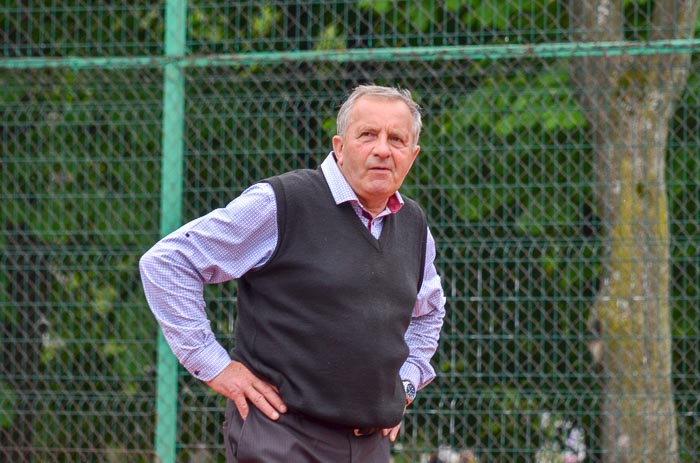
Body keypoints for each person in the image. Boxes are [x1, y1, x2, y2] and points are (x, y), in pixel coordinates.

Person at [139, 84, 446, 462]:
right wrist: (216, 367)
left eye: (396, 139)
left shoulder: (414, 225)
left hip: (370, 446)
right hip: (283, 437)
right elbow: (168, 263)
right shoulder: (282, 203)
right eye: (367, 135)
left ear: (411, 155)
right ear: (339, 146)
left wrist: (407, 383)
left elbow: (429, 312)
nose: (382, 149)